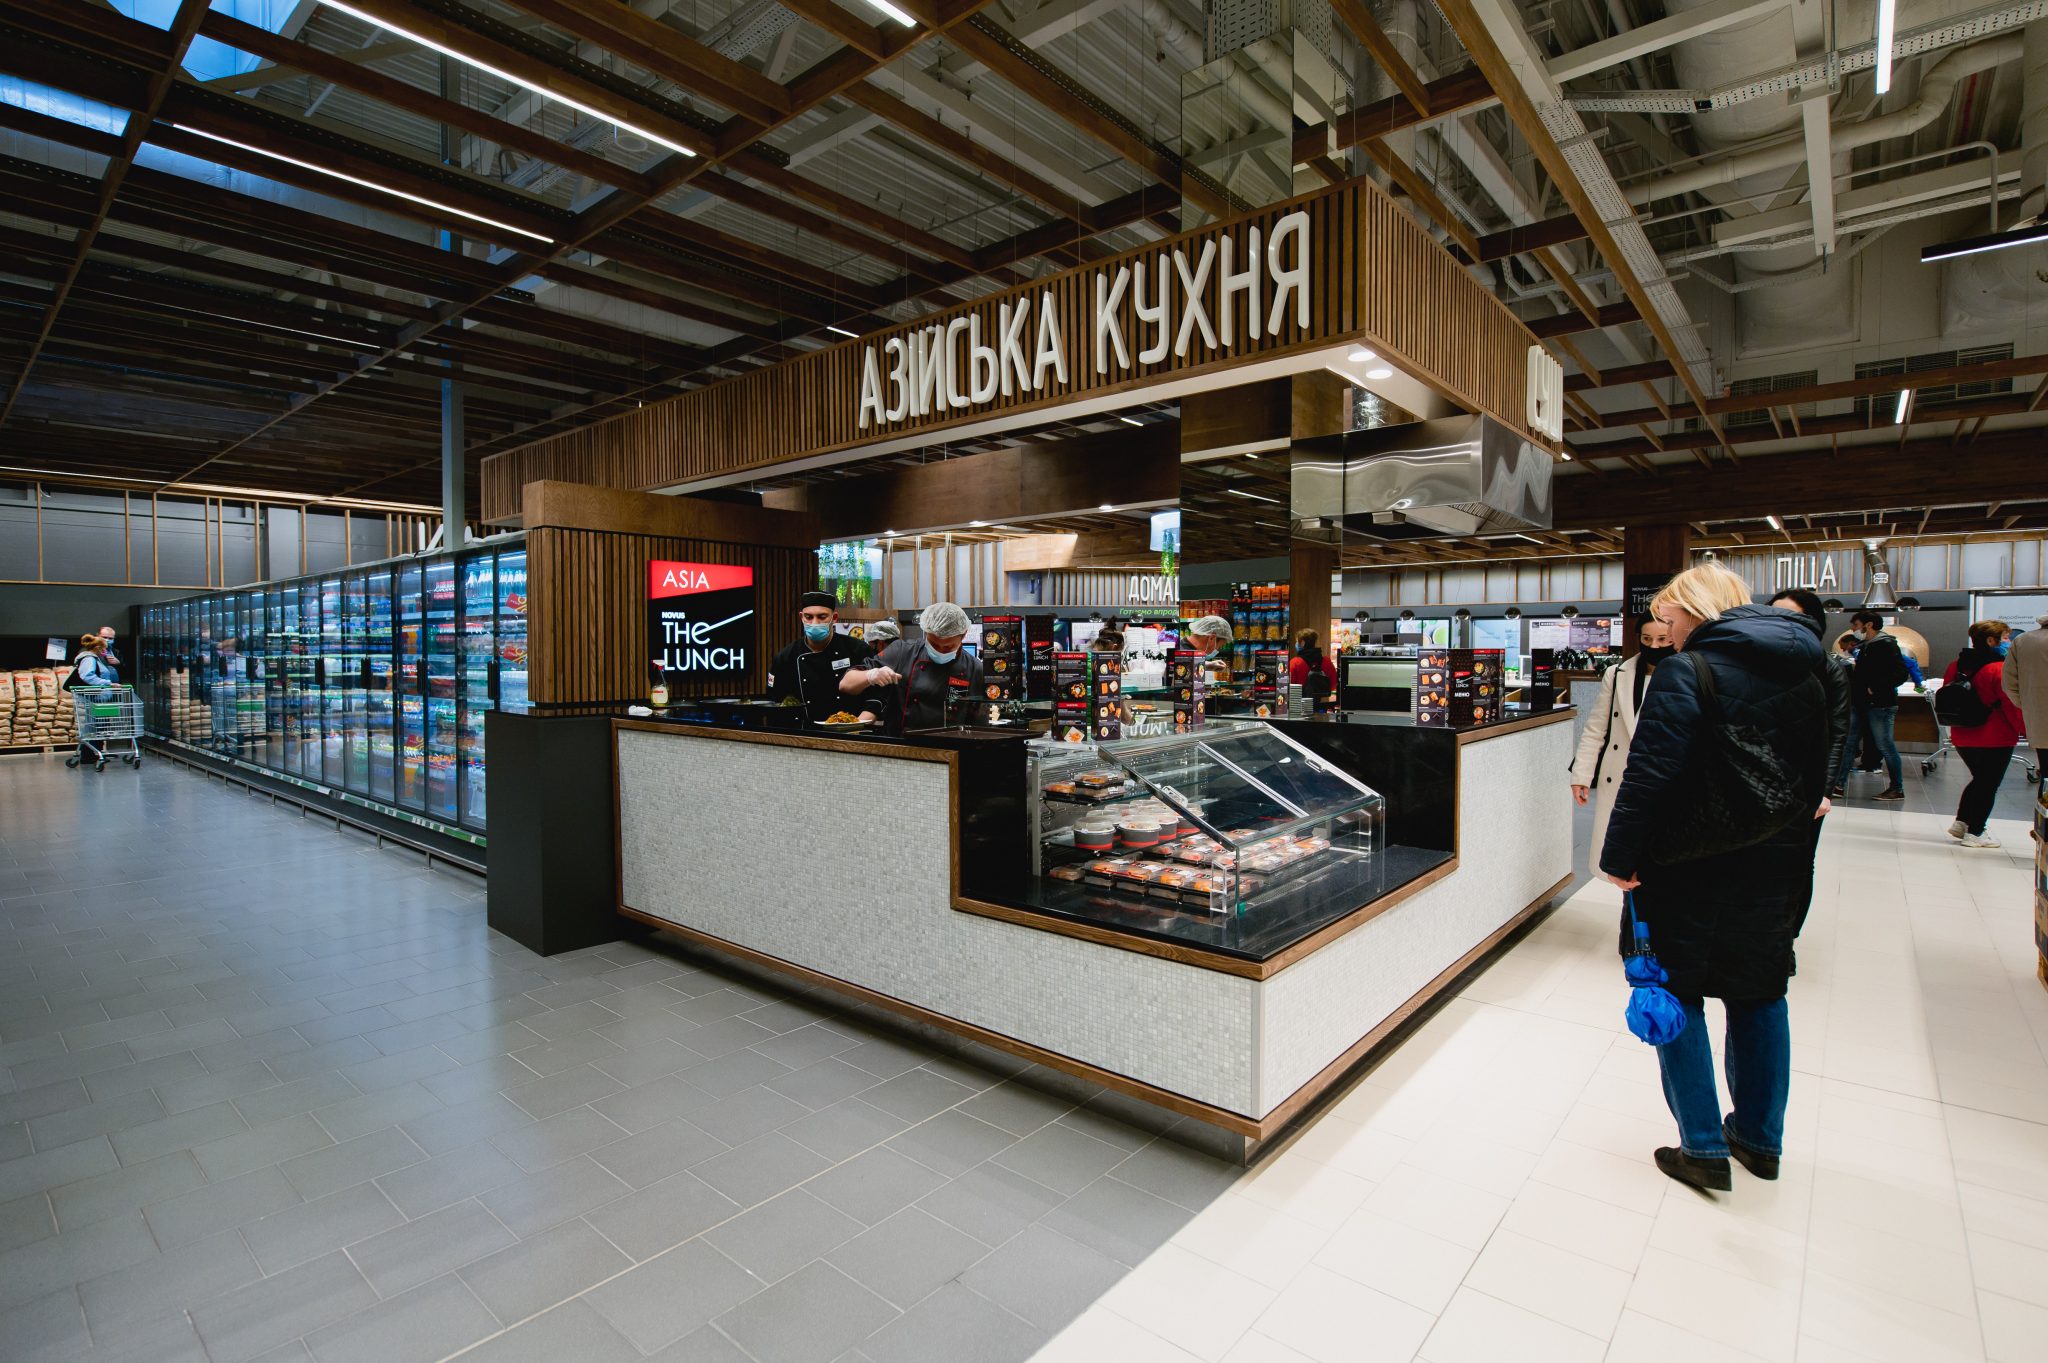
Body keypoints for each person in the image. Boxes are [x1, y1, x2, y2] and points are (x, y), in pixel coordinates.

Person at [1601, 562, 1846, 1194]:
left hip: (1689, 860)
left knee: (1676, 988)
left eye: (1670, 618)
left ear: (1696, 610)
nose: (1667, 631)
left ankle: (1703, 1146)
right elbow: (1823, 764)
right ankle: (1760, 1140)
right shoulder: (1813, 669)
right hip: (1778, 859)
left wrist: (1618, 857)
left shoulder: (1688, 670)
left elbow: (1649, 775)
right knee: (1760, 992)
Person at [1569, 615, 1674, 876]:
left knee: (1658, 860)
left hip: (1664, 776)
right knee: (1621, 860)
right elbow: (1596, 728)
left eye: (1663, 639)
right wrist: (1582, 775)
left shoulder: (1685, 674)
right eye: (1647, 639)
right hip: (1619, 775)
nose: (1654, 646)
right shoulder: (1617, 674)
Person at [1944, 621, 2026, 849]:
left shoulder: (1956, 666)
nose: (2008, 642)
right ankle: (1976, 832)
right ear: (1991, 640)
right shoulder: (1999, 669)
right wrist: (2025, 730)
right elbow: (2011, 706)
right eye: (2005, 637)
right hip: (1995, 736)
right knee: (1988, 784)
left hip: (1962, 735)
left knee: (1980, 779)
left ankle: (1962, 821)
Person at [843, 601, 984, 734]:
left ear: (963, 635)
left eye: (948, 647)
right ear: (925, 632)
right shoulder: (901, 652)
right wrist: (870, 675)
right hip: (900, 744)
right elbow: (846, 683)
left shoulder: (975, 669)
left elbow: (978, 721)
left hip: (948, 747)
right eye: (934, 644)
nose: (940, 650)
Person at [1831, 610, 1909, 802]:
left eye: (1856, 625)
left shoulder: (1886, 645)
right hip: (1861, 703)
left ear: (1869, 625)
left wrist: (1876, 687)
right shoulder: (1867, 646)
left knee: (1885, 745)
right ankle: (1837, 785)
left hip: (1879, 704)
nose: (1853, 629)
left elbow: (1900, 674)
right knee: (1849, 744)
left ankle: (1897, 788)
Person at [765, 590, 875, 721]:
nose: (815, 623)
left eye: (822, 617)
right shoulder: (786, 657)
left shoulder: (858, 650)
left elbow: (877, 695)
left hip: (852, 729)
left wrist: (860, 723)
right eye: (808, 617)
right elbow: (775, 702)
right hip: (803, 730)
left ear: (834, 618)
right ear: (801, 617)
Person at [65, 634, 119, 771]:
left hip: (99, 698)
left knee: (97, 726)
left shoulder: (96, 659)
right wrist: (108, 683)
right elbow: (87, 676)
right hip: (93, 698)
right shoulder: (89, 658)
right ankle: (89, 755)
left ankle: (94, 753)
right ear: (98, 648)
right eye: (104, 649)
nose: (106, 651)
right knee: (93, 726)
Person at [2003, 614, 2048, 769]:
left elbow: (2009, 683)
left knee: (2046, 766)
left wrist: (2027, 704)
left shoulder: (2023, 640)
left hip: (2039, 715)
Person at [1289, 630, 1337, 711]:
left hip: (1298, 707)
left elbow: (1289, 687)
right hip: (1321, 706)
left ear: (1302, 643)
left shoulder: (1295, 663)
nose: (1296, 644)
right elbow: (1333, 685)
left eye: (1297, 641)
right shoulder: (1327, 661)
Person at [1186, 615, 1235, 685]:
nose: (1218, 650)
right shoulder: (1181, 654)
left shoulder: (1191, 652)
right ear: (1211, 638)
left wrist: (1207, 665)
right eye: (1219, 646)